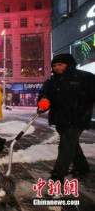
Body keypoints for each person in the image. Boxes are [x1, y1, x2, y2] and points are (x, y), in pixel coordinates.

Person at [38, 53, 95, 183]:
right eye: (55, 65)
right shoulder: (52, 81)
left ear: (68, 64)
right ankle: (81, 166)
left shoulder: (84, 77)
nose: (57, 67)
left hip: (78, 117)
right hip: (60, 118)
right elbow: (44, 93)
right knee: (70, 143)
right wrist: (44, 100)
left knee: (66, 144)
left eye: (60, 64)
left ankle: (57, 176)